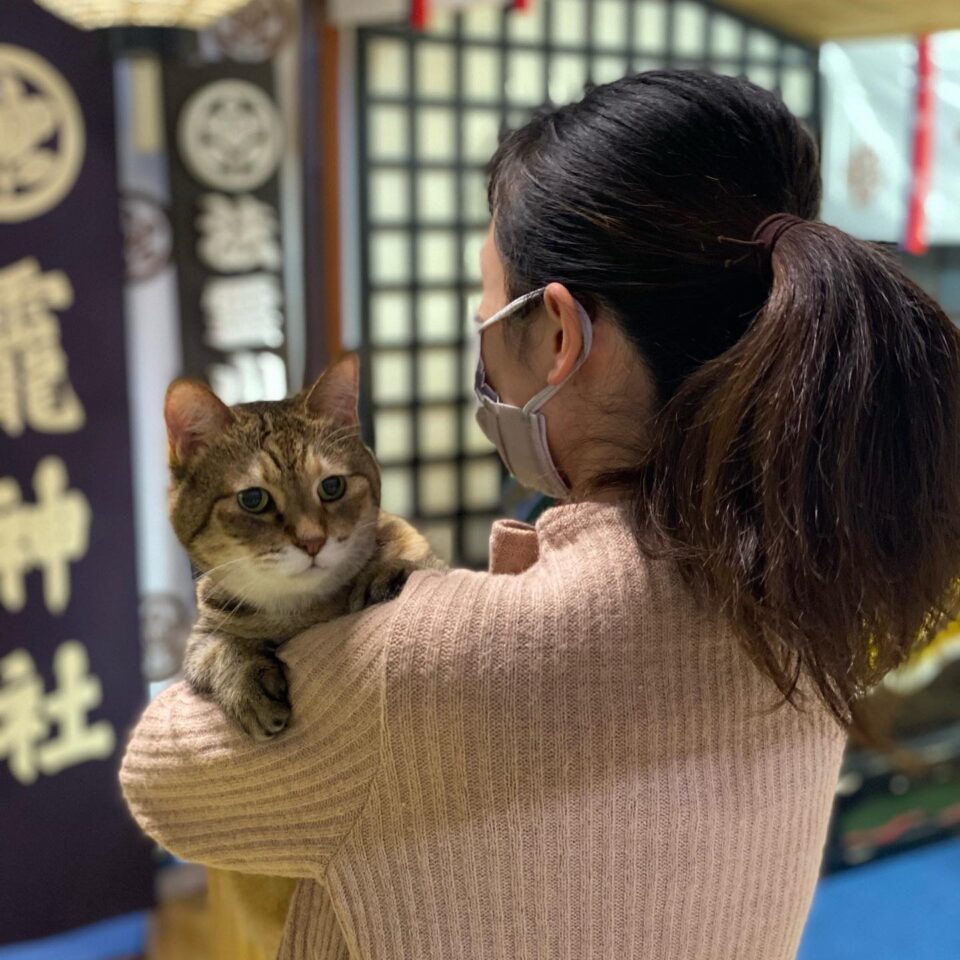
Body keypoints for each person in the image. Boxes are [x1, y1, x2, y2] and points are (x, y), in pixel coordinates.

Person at [119, 70, 960, 959]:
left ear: (559, 337)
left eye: (488, 326)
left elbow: (162, 784)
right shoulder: (810, 581)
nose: (483, 362)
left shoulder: (410, 672)